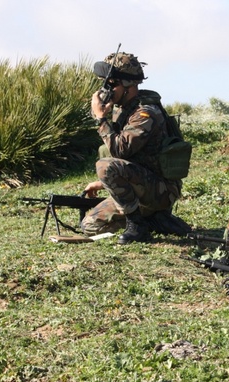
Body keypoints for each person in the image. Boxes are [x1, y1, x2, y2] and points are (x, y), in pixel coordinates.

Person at [81, 51, 190, 244]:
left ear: (129, 85)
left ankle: (137, 225)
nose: (106, 89)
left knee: (105, 165)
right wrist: (103, 183)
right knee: (90, 225)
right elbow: (131, 159)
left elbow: (119, 151)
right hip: (142, 186)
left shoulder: (145, 114)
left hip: (161, 191)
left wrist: (100, 119)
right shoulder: (122, 110)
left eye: (112, 84)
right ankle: (154, 219)